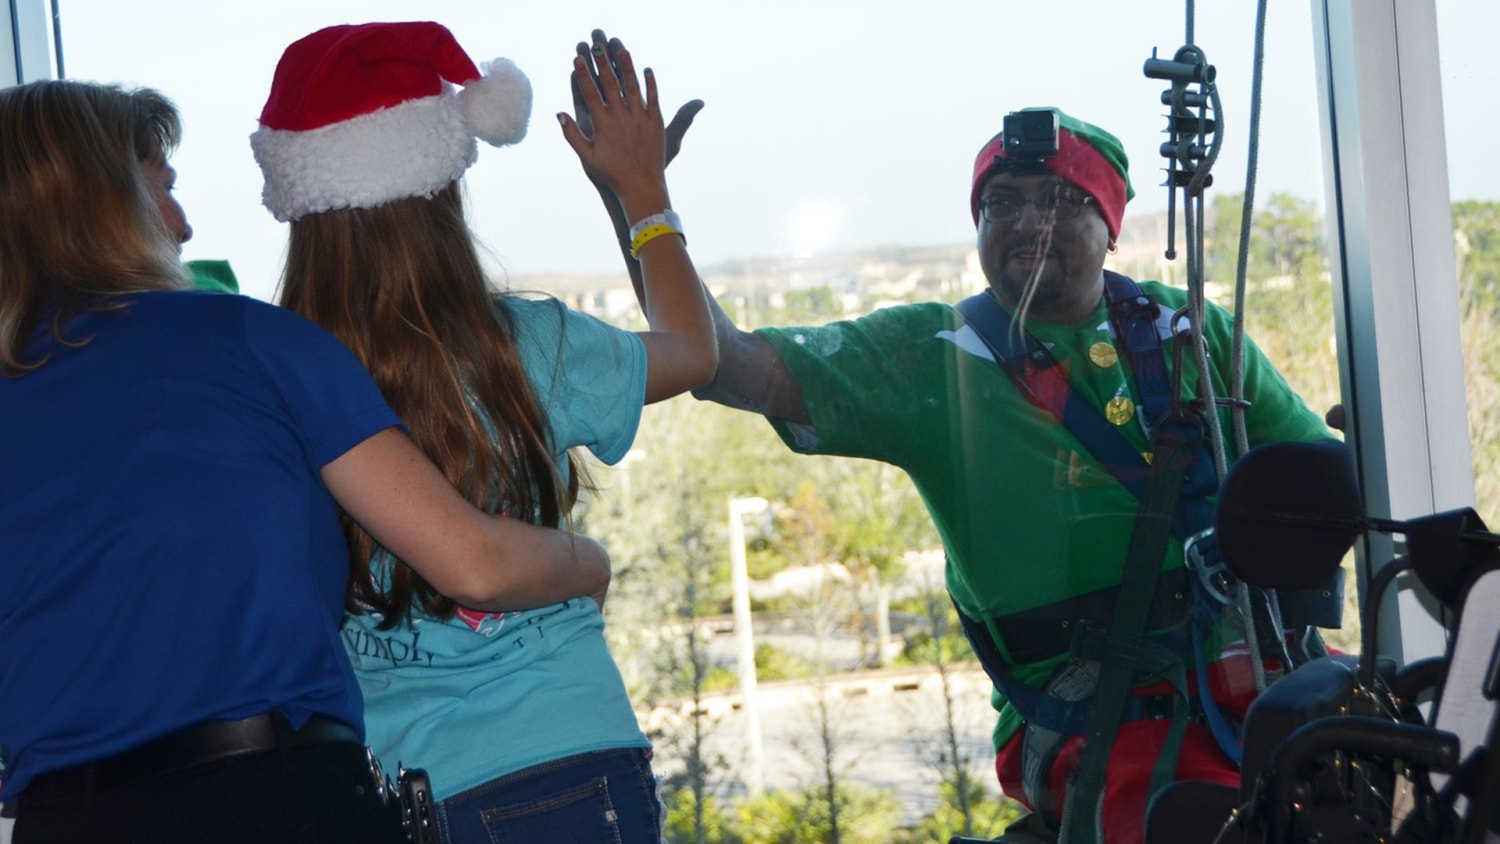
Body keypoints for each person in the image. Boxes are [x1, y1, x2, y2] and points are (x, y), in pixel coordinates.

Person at [683, 108, 1337, 844]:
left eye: (1058, 199)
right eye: (1001, 203)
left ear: (1109, 223)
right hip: (1103, 728)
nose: (1026, 221)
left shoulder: (1190, 331)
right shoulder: (935, 358)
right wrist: (642, 206)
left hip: (1252, 679)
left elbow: (1321, 474)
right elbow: (724, 363)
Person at [0, 79, 610, 843]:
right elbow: (474, 564)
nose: (183, 227)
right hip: (269, 796)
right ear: (102, 202)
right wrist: (589, 563)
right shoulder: (246, 341)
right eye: (163, 189)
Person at [251, 22, 716, 844]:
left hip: (406, 792)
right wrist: (643, 194)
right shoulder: (528, 344)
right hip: (579, 756)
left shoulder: (275, 382)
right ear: (443, 186)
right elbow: (696, 349)